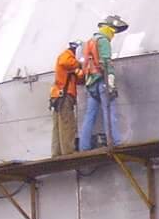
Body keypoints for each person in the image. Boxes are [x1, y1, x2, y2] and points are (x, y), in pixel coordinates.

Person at [78, 14, 128, 150]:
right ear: (109, 29)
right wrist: (111, 83)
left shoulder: (89, 42)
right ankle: (115, 142)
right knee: (109, 112)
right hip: (102, 81)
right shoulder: (103, 41)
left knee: (89, 116)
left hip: (90, 83)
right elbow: (106, 62)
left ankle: (84, 146)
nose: (114, 35)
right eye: (114, 32)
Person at [49, 40, 81, 156]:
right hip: (64, 96)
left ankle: (56, 152)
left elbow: (79, 78)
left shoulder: (68, 64)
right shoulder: (67, 56)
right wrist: (80, 64)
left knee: (58, 126)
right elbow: (65, 61)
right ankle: (68, 151)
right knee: (67, 125)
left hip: (57, 96)